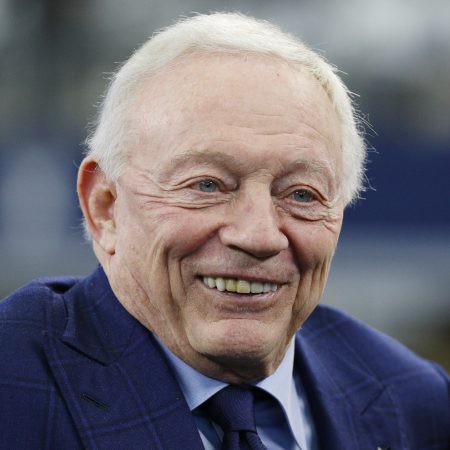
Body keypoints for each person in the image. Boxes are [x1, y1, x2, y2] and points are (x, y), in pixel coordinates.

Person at [0, 12, 448, 450]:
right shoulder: (14, 387)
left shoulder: (416, 403)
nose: (259, 236)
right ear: (106, 208)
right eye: (207, 185)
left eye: (301, 195)